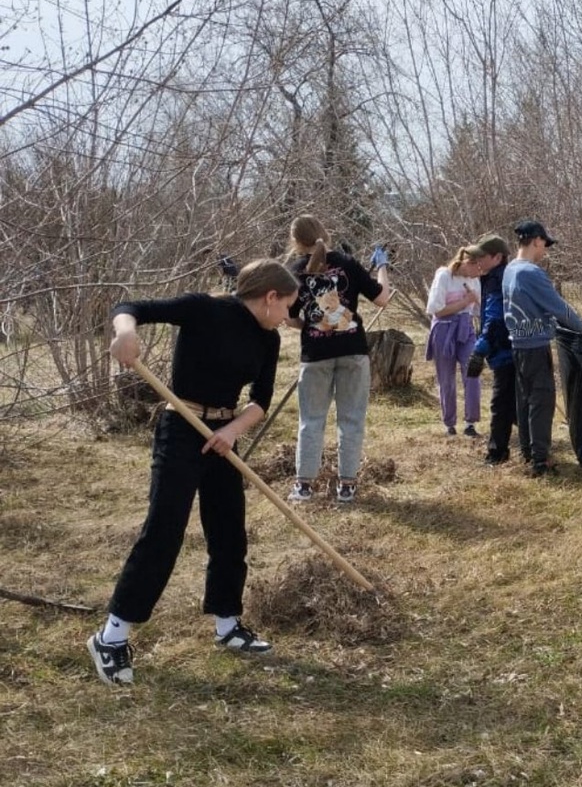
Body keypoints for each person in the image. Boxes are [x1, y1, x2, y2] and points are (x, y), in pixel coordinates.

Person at [86, 259, 299, 686]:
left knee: (229, 532)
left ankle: (227, 624)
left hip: (223, 436)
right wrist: (125, 332)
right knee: (164, 530)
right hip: (181, 427)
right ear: (270, 297)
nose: (287, 316)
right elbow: (131, 307)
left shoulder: (268, 339)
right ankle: (111, 636)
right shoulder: (204, 309)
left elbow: (260, 399)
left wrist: (233, 430)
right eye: (286, 306)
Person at [285, 217, 391, 504]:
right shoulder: (346, 262)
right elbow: (382, 299)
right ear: (324, 233)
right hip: (353, 351)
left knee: (311, 420)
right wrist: (382, 266)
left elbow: (289, 318)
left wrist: (313, 325)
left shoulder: (292, 272)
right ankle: (347, 487)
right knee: (351, 419)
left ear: (295, 241)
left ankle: (303, 486)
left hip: (315, 354)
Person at [503, 219, 582, 477]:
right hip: (535, 346)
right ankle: (540, 461)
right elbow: (558, 307)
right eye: (545, 245)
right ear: (536, 240)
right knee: (542, 401)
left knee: (525, 399)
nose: (545, 251)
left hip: (517, 344)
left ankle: (528, 452)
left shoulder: (510, 270)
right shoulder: (531, 272)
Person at [465, 234, 517, 466]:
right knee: (515, 403)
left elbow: (495, 320)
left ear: (497, 257)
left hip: (506, 350)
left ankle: (496, 454)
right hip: (508, 349)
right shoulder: (495, 276)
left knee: (501, 403)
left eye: (481, 256)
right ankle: (531, 447)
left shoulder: (498, 280)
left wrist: (479, 350)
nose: (477, 260)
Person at [426, 244, 483, 438]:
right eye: (478, 267)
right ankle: (449, 423)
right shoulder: (444, 276)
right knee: (447, 379)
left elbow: (477, 310)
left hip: (466, 329)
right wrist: (464, 302)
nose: (480, 271)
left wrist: (475, 301)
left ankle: (470, 423)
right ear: (468, 263)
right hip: (444, 329)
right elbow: (436, 309)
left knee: (473, 373)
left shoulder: (474, 280)